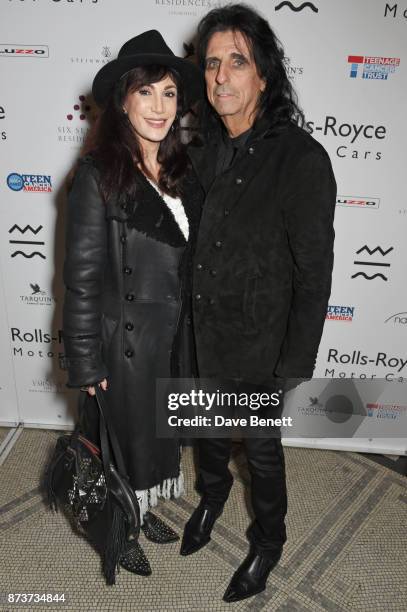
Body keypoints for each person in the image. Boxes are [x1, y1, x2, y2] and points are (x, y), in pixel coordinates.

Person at [180, 4, 336, 603]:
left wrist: (292, 363)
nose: (220, 76)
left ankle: (268, 541)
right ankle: (212, 497)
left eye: (236, 62)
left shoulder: (300, 159)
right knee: (208, 434)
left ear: (264, 75)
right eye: (212, 62)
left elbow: (313, 273)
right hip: (201, 331)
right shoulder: (203, 148)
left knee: (262, 454)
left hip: (257, 343)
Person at [62, 30, 203, 577]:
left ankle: (141, 510)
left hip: (173, 342)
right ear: (124, 99)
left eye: (170, 94)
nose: (160, 107)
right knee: (118, 446)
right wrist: (86, 361)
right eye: (147, 93)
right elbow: (81, 278)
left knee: (160, 442)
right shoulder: (98, 176)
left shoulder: (183, 173)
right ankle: (116, 533)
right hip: (123, 346)